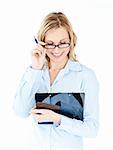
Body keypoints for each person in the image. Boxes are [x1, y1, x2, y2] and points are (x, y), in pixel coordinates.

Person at [13, 12, 99, 150]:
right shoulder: (34, 72)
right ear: (41, 43)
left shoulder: (85, 76)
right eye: (50, 44)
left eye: (63, 43)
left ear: (72, 42)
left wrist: (57, 118)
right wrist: (35, 69)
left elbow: (92, 128)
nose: (57, 50)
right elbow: (20, 111)